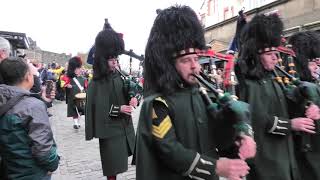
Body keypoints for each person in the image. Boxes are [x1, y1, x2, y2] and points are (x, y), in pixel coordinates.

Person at [134, 5, 256, 180]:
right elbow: (170, 150)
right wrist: (216, 167)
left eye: (196, 59)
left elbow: (217, 136)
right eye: (185, 60)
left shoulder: (200, 93)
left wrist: (240, 133)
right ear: (168, 64)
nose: (195, 66)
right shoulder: (158, 103)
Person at [235, 14, 318, 180]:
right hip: (267, 159)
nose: (276, 57)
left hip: (285, 156)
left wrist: (310, 104)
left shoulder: (273, 78)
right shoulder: (251, 84)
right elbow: (258, 119)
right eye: (269, 53)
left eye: (275, 52)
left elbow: (290, 99)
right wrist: (290, 125)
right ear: (256, 55)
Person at [85, 20, 137, 180]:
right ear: (102, 60)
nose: (115, 61)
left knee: (134, 158)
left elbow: (131, 89)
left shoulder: (120, 75)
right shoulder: (96, 82)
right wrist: (119, 109)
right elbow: (99, 110)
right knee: (111, 167)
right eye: (110, 59)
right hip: (109, 130)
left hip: (125, 127)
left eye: (116, 58)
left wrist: (133, 97)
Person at [0, 57, 60, 180]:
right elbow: (43, 152)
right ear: (28, 76)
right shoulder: (33, 106)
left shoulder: (5, 100)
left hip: (8, 171)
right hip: (32, 173)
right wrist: (53, 164)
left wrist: (43, 101)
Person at [288, 31, 320, 180]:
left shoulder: (314, 82)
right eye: (312, 62)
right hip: (305, 152)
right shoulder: (292, 86)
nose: (316, 67)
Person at [64, 56, 87, 129]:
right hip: (72, 97)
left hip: (81, 97)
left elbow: (86, 87)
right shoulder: (69, 78)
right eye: (76, 69)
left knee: (80, 110)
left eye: (79, 68)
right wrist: (67, 86)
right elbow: (64, 85)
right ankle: (76, 123)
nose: (78, 70)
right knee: (74, 110)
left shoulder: (84, 79)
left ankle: (78, 122)